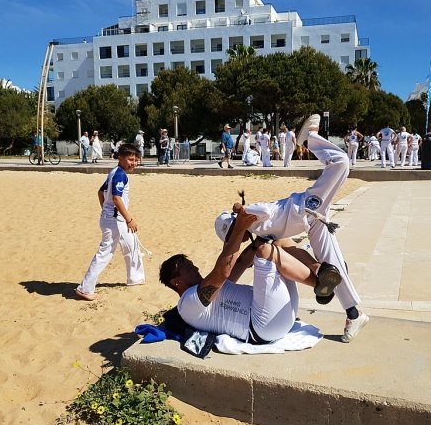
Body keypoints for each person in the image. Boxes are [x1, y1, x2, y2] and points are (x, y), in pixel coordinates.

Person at [214, 115, 368, 342]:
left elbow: (251, 209)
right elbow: (240, 262)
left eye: (231, 233)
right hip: (312, 222)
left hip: (305, 208)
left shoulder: (251, 217)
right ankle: (353, 314)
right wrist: (221, 283)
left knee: (341, 162)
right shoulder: (258, 235)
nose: (238, 238)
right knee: (333, 264)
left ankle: (310, 137)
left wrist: (239, 210)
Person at [160, 208, 339, 344]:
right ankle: (320, 284)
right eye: (189, 267)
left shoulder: (208, 288)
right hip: (263, 327)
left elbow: (240, 262)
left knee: (277, 242)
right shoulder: (188, 303)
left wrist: (256, 233)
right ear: (177, 281)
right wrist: (239, 228)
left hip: (279, 316)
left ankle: (320, 270)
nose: (196, 268)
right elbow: (223, 271)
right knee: (265, 252)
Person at [76, 144, 145, 301]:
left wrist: (106, 210)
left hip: (112, 218)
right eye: (130, 159)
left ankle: (135, 278)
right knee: (105, 253)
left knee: (132, 245)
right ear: (120, 158)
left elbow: (100, 192)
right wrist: (129, 219)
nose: (134, 163)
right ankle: (85, 288)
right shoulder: (120, 175)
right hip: (116, 221)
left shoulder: (114, 172)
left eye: (136, 160)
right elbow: (116, 198)